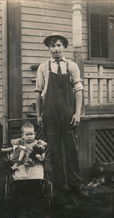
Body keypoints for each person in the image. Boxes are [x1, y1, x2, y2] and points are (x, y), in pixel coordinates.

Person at [35, 33, 87, 198]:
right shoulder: (43, 67)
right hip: (50, 114)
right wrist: (38, 115)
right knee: (55, 151)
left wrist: (77, 113)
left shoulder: (72, 66)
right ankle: (60, 186)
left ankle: (75, 185)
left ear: (64, 47)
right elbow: (38, 93)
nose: (55, 49)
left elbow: (78, 91)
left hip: (68, 114)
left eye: (58, 45)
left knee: (72, 150)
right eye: (52, 46)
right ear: (49, 49)